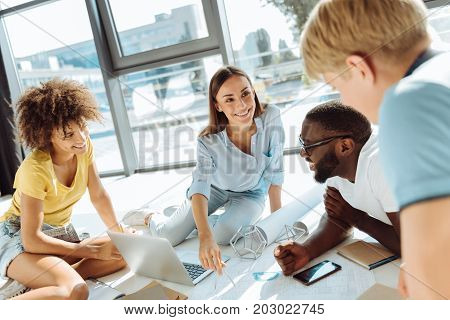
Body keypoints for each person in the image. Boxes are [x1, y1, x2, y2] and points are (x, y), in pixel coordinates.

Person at [300, 0, 450, 299]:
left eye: (338, 86)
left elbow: (437, 278)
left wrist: (422, 273)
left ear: (359, 68)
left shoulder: (408, 101)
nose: (346, 100)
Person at [123, 65, 285, 274]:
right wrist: (204, 236)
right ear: (217, 106)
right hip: (214, 189)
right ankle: (152, 217)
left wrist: (279, 221)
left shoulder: (272, 116)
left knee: (223, 235)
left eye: (245, 93)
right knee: (169, 237)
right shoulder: (207, 140)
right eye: (229, 99)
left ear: (253, 91)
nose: (242, 105)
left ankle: (191, 219)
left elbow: (276, 172)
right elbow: (200, 186)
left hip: (251, 193)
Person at [0, 79, 126, 300]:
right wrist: (90, 250)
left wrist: (119, 232)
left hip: (55, 234)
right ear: (47, 135)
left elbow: (98, 195)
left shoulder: (83, 149)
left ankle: (41, 283)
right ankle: (53, 282)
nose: (81, 138)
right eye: (69, 134)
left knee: (124, 251)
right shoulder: (35, 169)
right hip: (18, 236)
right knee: (75, 291)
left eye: (82, 127)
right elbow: (32, 239)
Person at [274, 101, 400, 276]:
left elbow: (419, 248)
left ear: (344, 147)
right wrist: (308, 250)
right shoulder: (338, 167)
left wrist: (359, 219)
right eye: (302, 143)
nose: (303, 153)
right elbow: (338, 217)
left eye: (309, 145)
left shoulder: (383, 165)